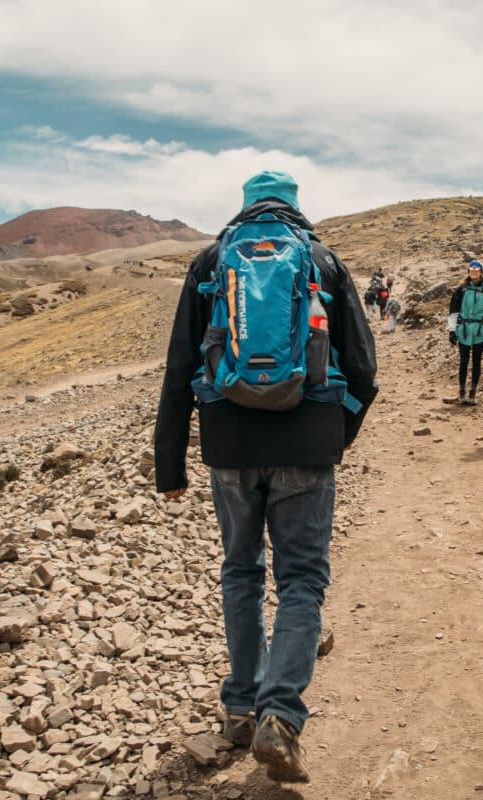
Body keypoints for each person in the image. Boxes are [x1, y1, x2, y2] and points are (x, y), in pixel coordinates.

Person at [154, 170, 378, 783]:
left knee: (241, 571)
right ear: (295, 208)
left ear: (245, 207)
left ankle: (239, 708)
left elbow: (179, 371)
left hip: (229, 445)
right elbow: (363, 371)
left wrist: (168, 464)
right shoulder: (322, 261)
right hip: (307, 445)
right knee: (301, 580)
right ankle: (281, 716)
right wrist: (335, 437)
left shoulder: (210, 262)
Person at [448, 260, 483, 404]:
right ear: (468, 273)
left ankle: (472, 394)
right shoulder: (461, 289)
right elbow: (454, 310)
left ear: (481, 272)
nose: (474, 273)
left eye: (477, 271)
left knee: (476, 361)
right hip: (463, 328)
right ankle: (462, 393)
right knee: (463, 361)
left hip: (479, 330)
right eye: (472, 271)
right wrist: (452, 330)